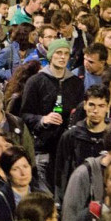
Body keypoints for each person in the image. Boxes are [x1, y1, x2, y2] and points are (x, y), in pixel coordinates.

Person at [20, 38, 84, 185]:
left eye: (66, 53)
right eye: (59, 53)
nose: (62, 57)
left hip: (68, 148)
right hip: (43, 147)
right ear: (51, 55)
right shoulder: (36, 81)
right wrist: (42, 120)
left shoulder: (76, 83)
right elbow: (23, 115)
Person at [54, 84, 110, 200]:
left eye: (101, 106)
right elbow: (61, 174)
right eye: (91, 105)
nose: (95, 110)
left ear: (108, 107)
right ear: (84, 105)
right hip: (77, 198)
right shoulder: (70, 137)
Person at [0, 146, 48, 221]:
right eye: (15, 169)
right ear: (7, 174)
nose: (23, 173)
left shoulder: (42, 198)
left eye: (25, 166)